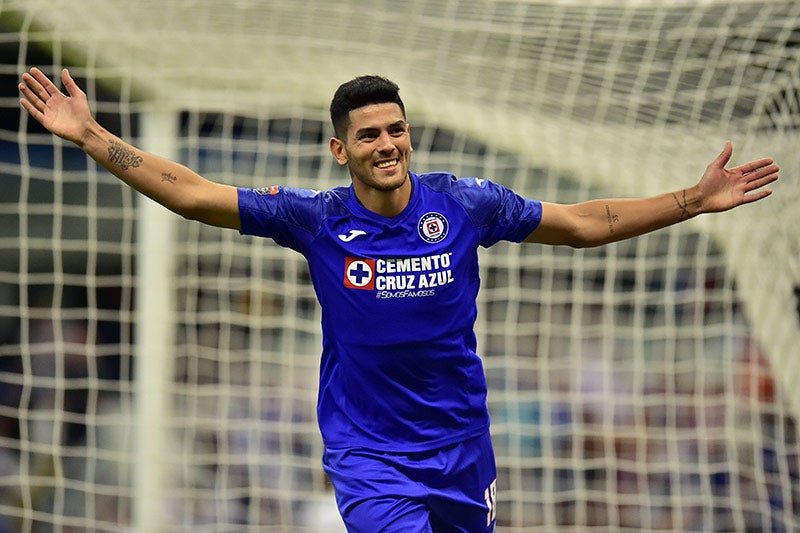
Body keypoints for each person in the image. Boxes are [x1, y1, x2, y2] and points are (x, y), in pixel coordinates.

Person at [19, 67, 779, 532]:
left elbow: (584, 223)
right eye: (370, 133)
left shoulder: (466, 203)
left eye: (398, 129)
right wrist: (91, 135)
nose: (388, 143)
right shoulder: (315, 218)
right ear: (339, 150)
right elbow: (191, 193)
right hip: (369, 454)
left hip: (461, 445)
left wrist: (692, 199)